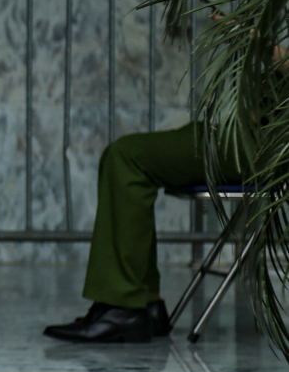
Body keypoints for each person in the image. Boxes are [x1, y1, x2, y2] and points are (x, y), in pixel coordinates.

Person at [44, 124, 242, 343]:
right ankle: (146, 303)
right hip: (245, 133)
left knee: (127, 157)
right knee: (127, 153)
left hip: (258, 140)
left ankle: (122, 306)